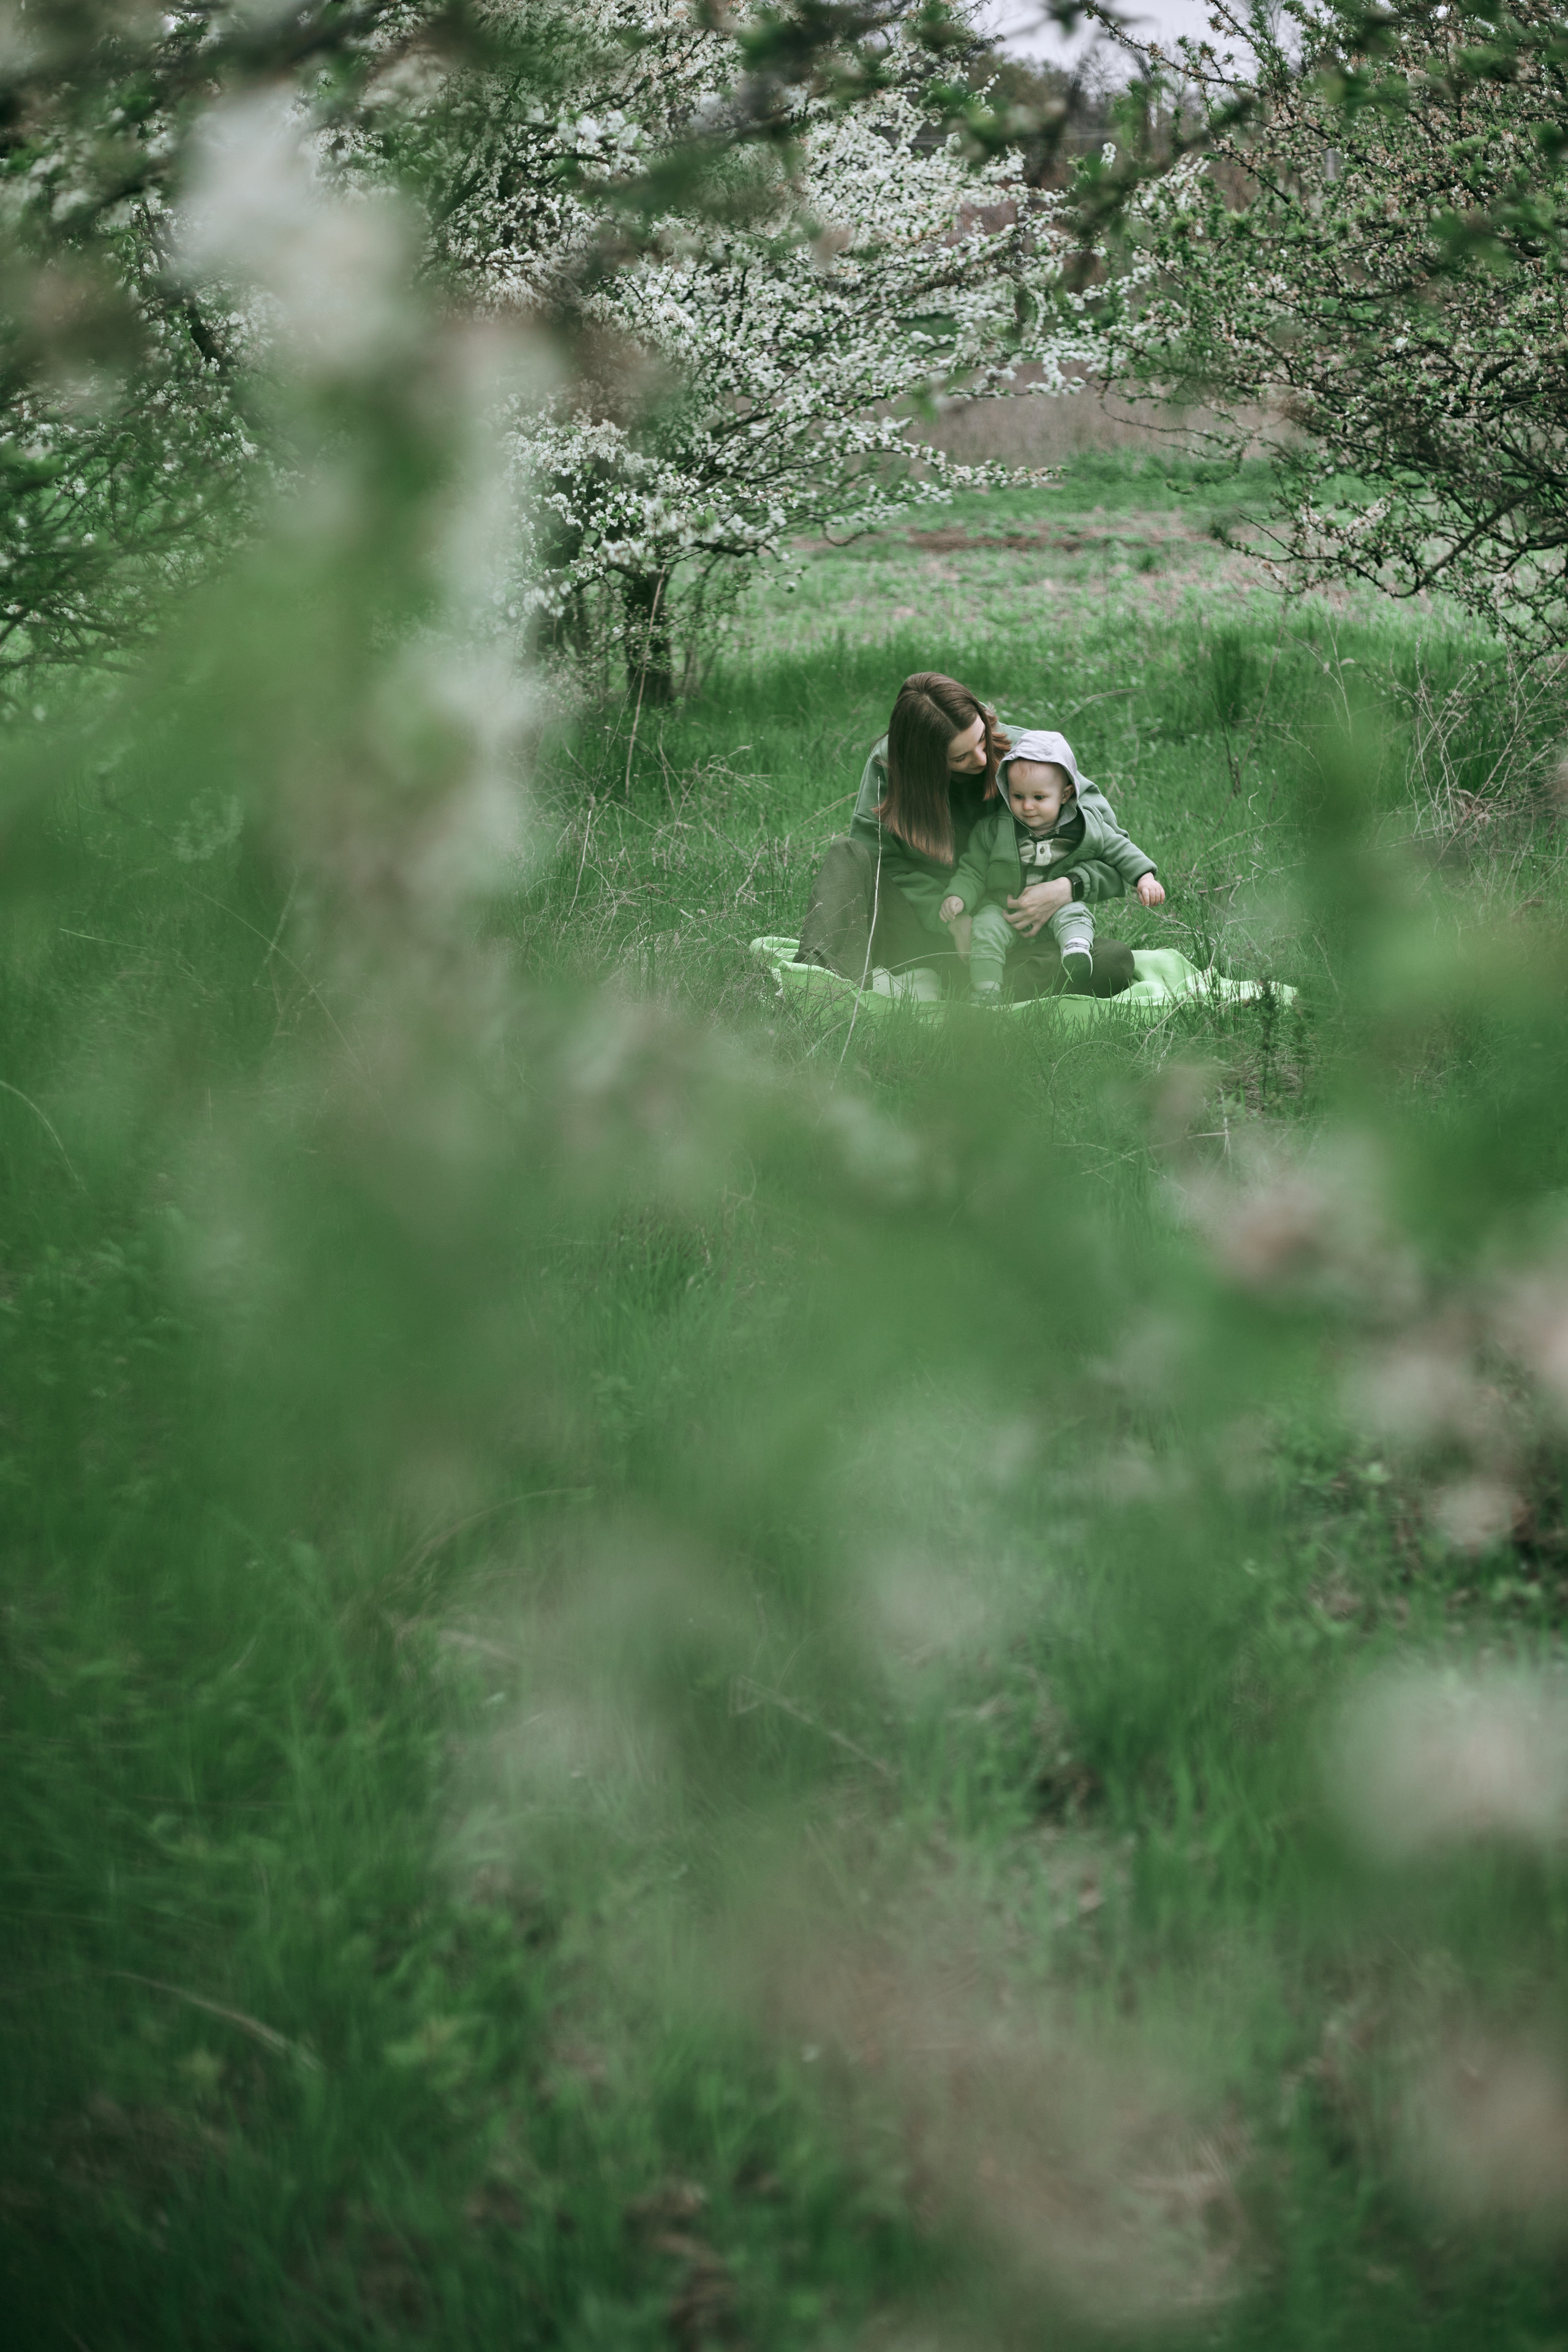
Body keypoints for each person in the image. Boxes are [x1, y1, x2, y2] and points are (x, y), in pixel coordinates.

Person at [793, 672, 1140, 1000]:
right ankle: (815, 985)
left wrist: (1067, 888)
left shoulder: (1035, 759)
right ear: (923, 764)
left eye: (981, 738)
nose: (981, 757)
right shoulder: (890, 767)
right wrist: (953, 923)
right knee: (847, 853)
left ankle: (976, 990)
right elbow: (881, 862)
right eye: (959, 756)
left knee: (1114, 961)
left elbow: (1113, 848)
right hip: (923, 929)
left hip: (1013, 933)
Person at [938, 728, 1165, 1005]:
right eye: (1018, 796)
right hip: (1005, 910)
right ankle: (986, 991)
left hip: (1057, 909)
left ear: (1066, 794)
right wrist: (958, 896)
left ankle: (1076, 953)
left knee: (1075, 913)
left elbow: (1119, 849)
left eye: (1039, 798)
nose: (1027, 807)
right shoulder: (994, 830)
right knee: (985, 928)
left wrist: (1144, 878)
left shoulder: (1085, 826)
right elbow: (972, 869)